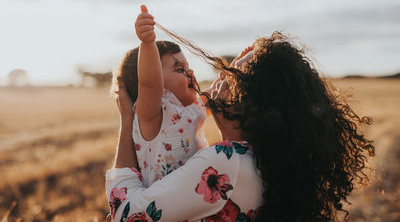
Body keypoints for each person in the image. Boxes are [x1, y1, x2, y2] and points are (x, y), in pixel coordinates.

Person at [106, 20, 375, 221]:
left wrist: (127, 120)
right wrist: (250, 61)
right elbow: (156, 85)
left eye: (235, 79)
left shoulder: (226, 161)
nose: (222, 78)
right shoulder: (264, 159)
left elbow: (125, 216)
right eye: (227, 73)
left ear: (253, 104)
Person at [111, 5, 213, 191]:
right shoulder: (153, 116)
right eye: (179, 68)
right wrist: (147, 43)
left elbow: (220, 90)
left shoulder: (191, 108)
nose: (190, 72)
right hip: (166, 205)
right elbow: (150, 84)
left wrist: (243, 62)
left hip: (196, 198)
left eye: (188, 66)